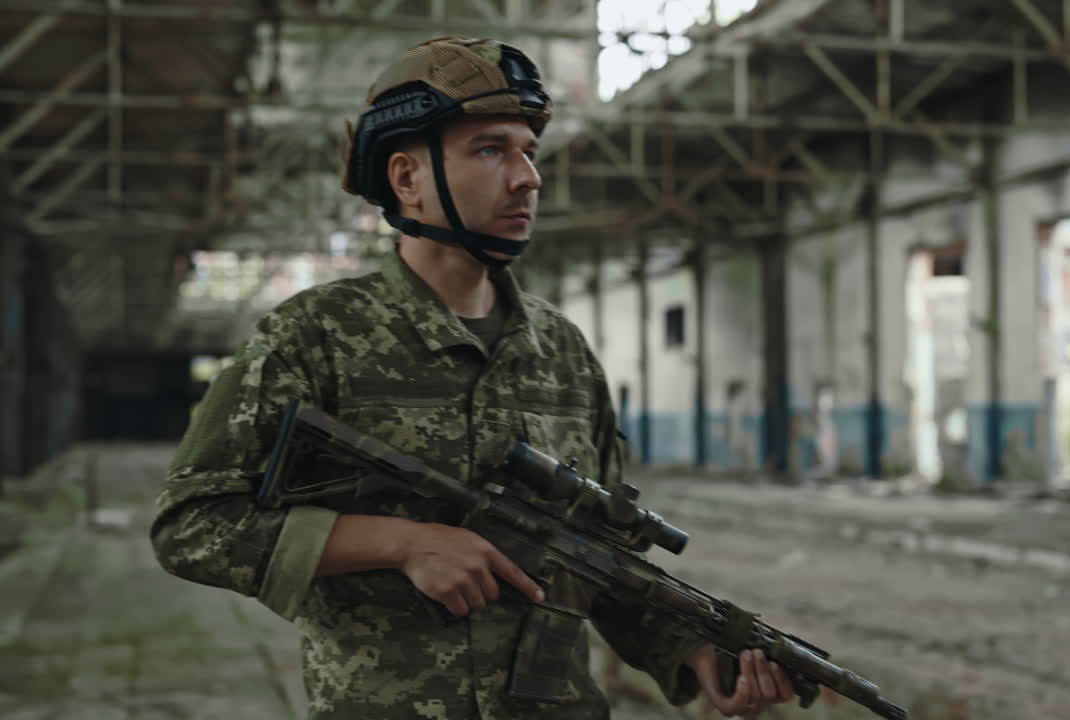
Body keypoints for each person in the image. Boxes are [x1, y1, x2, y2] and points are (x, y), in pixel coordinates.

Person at [151, 37, 795, 719]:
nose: (527, 177)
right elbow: (191, 525)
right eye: (490, 149)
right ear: (407, 179)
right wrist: (400, 543)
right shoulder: (313, 338)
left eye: (529, 152)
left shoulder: (564, 352)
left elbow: (595, 559)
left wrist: (690, 651)